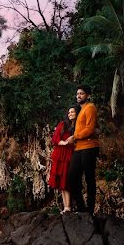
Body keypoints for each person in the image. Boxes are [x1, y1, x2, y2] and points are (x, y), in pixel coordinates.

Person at [68, 84, 100, 214]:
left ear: (88, 95)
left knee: (89, 178)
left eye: (81, 93)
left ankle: (90, 210)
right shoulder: (80, 111)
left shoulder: (90, 108)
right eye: (77, 94)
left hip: (89, 147)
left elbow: (90, 129)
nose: (78, 96)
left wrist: (74, 137)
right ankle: (81, 208)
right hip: (79, 148)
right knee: (72, 177)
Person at [48, 106, 79, 212]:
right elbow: (55, 139)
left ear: (77, 113)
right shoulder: (63, 124)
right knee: (61, 181)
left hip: (71, 154)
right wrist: (66, 142)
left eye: (73, 112)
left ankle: (69, 206)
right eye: (69, 112)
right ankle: (66, 207)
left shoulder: (78, 126)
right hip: (61, 154)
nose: (70, 114)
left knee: (67, 180)